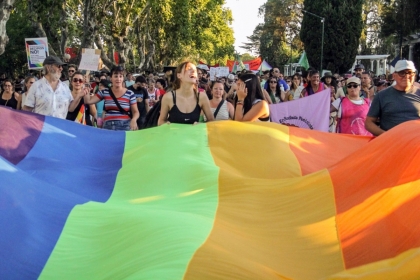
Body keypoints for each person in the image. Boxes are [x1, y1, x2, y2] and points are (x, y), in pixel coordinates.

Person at [365, 60, 420, 136]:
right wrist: (386, 136)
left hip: (415, 144)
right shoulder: (381, 96)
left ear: (414, 75)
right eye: (402, 73)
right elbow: (369, 123)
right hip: (391, 144)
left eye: (410, 73)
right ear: (394, 76)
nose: (406, 76)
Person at [84, 66, 139, 131]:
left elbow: (136, 112)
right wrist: (86, 85)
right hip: (108, 127)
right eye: (116, 76)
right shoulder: (104, 92)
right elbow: (88, 101)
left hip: (125, 127)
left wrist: (134, 120)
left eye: (120, 76)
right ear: (111, 78)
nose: (118, 79)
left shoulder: (130, 93)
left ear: (123, 78)